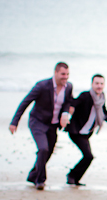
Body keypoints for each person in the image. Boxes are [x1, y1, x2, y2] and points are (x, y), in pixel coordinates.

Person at [9, 62, 74, 190]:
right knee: (43, 149)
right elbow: (25, 102)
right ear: (55, 73)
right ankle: (40, 181)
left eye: (67, 74)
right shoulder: (42, 86)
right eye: (62, 74)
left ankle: (33, 175)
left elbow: (68, 101)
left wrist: (65, 114)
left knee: (48, 152)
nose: (65, 77)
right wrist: (14, 122)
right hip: (37, 122)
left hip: (53, 125)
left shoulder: (69, 87)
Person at [65, 74, 107, 186]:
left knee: (88, 157)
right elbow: (73, 103)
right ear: (92, 84)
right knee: (88, 156)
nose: (99, 86)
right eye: (97, 83)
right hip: (76, 132)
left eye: (101, 83)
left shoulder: (101, 98)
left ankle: (74, 178)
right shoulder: (85, 96)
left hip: (87, 133)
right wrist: (67, 115)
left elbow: (103, 112)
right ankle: (72, 176)